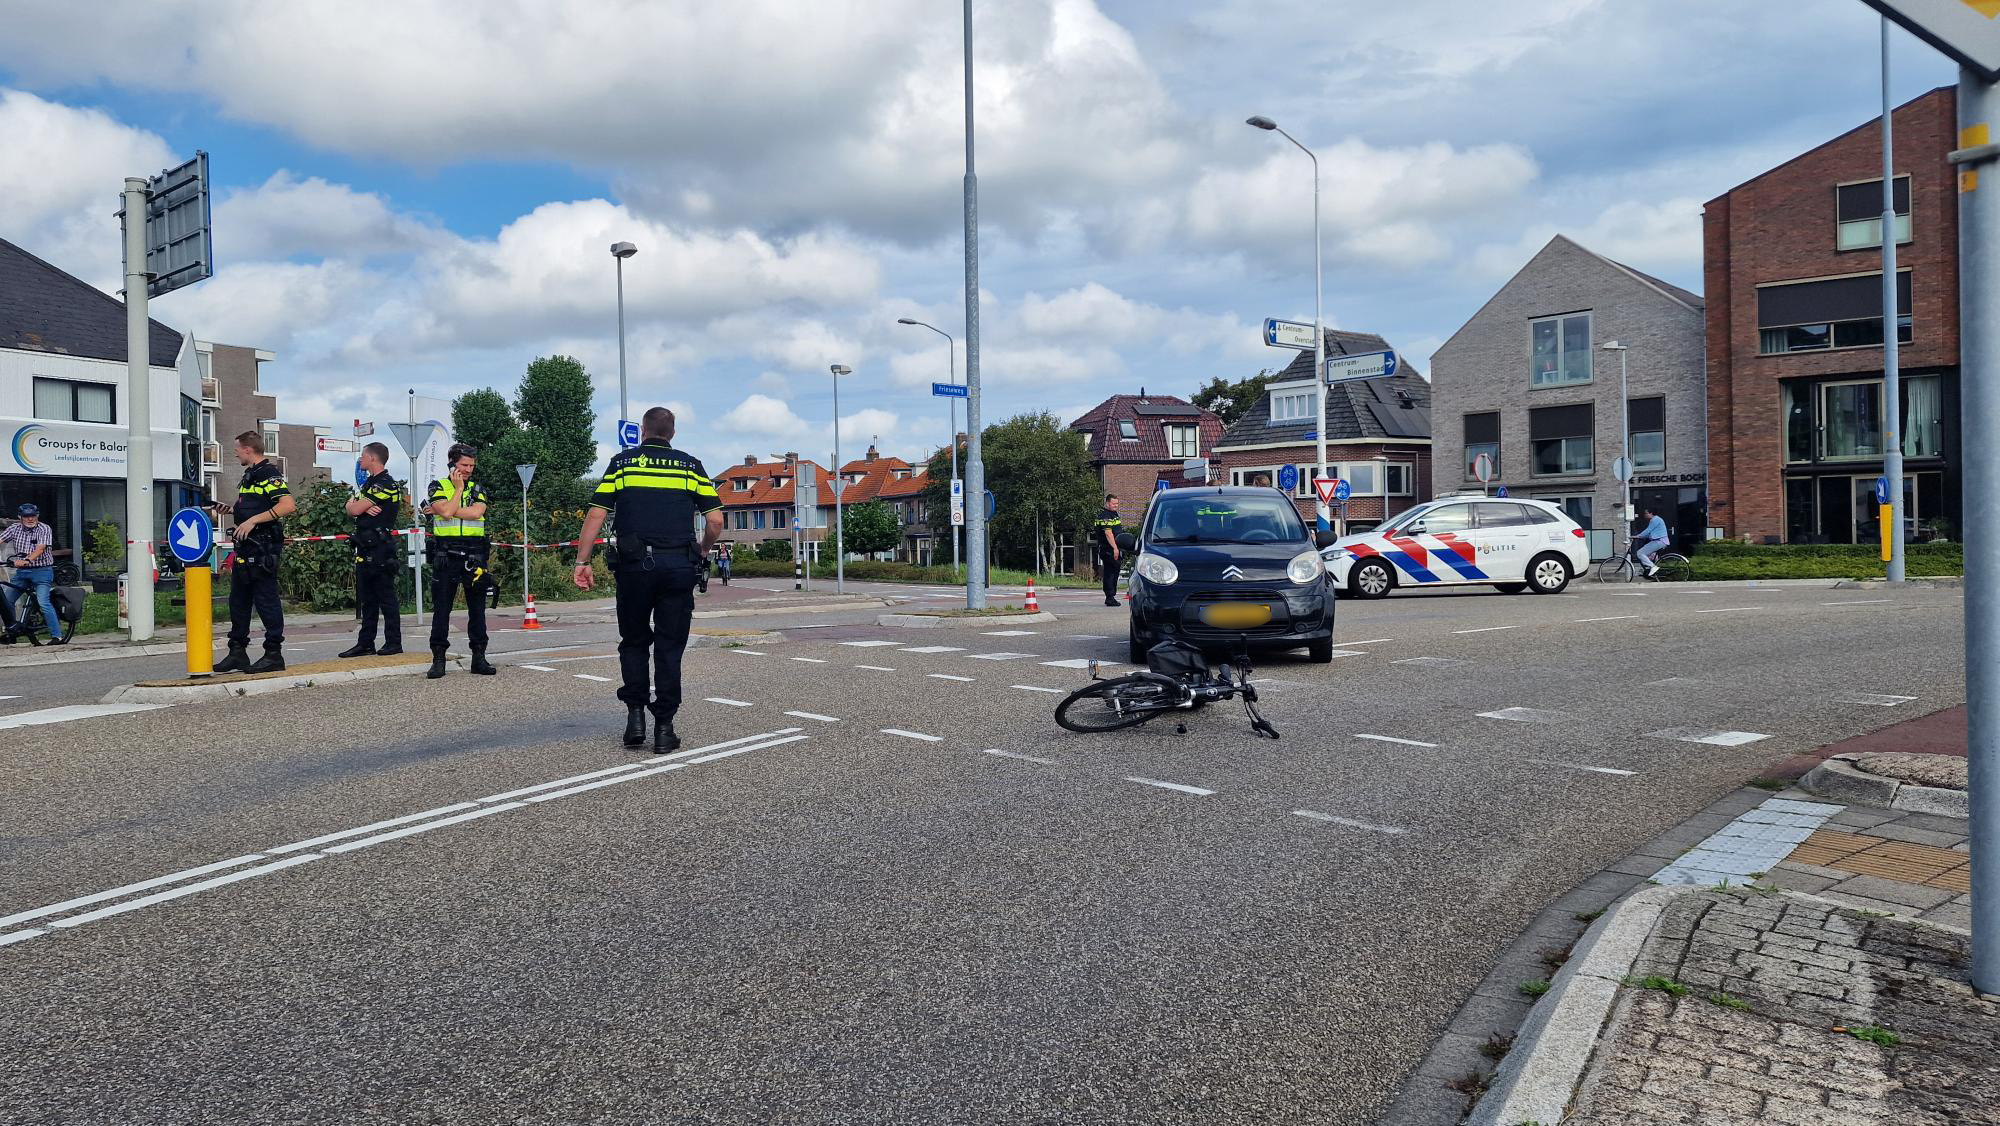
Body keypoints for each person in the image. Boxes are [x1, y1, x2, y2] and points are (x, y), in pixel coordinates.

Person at [573, 406, 722, 752]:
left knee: (635, 640)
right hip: (678, 568)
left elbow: (597, 512)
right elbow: (715, 520)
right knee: (670, 647)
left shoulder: (623, 465)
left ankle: (635, 718)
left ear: (643, 431)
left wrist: (583, 560)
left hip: (634, 567)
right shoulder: (690, 466)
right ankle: (665, 729)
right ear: (672, 433)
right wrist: (702, 549)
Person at [215, 432, 294, 673]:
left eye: (237, 449)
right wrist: (230, 511)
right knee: (238, 602)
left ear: (249, 449)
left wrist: (252, 522)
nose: (235, 453)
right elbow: (253, 508)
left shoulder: (268, 474)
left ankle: (273, 655)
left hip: (262, 550)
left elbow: (287, 505)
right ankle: (237, 652)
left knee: (266, 602)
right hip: (246, 549)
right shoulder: (250, 477)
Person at [424, 443, 497, 678]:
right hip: (446, 555)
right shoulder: (438, 485)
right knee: (441, 610)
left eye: (471, 466)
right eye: (464, 465)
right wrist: (457, 491)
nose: (468, 470)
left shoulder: (478, 488)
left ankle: (479, 658)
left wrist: (447, 507)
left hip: (475, 555)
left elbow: (475, 513)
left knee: (477, 610)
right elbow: (444, 513)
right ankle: (438, 659)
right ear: (452, 463)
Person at [340, 442, 404, 658]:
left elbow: (355, 508)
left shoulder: (384, 484)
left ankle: (393, 642)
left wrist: (356, 506)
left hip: (380, 548)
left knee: (386, 597)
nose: (360, 460)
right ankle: (366, 643)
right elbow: (354, 507)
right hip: (365, 546)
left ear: (373, 458)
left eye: (363, 456)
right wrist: (356, 505)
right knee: (367, 599)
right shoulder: (370, 484)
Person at [1, 504, 65, 645]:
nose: (30, 519)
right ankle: (12, 632)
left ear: (37, 516)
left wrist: (27, 560)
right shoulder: (14, 528)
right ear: (20, 517)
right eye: (26, 516)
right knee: (6, 602)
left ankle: (57, 636)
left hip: (42, 571)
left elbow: (40, 548)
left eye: (33, 516)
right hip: (22, 574)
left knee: (43, 602)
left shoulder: (44, 528)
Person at [1093, 494, 1124, 607]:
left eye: (1117, 503)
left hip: (1114, 548)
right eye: (1113, 503)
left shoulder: (1113, 514)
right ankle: (1110, 597)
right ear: (1107, 503)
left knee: (1114, 572)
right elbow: (1108, 533)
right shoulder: (1105, 516)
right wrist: (1115, 548)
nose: (1116, 505)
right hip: (1108, 549)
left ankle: (1111, 596)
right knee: (1110, 573)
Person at [1634, 505, 1671, 578]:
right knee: (1646, 554)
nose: (1645, 515)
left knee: (1640, 553)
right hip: (1660, 541)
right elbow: (1651, 533)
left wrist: (1638, 536)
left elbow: (1648, 530)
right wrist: (1641, 537)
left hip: (1659, 541)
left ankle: (1653, 567)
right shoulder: (1657, 519)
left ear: (1651, 513)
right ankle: (1649, 571)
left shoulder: (1655, 520)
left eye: (1646, 513)